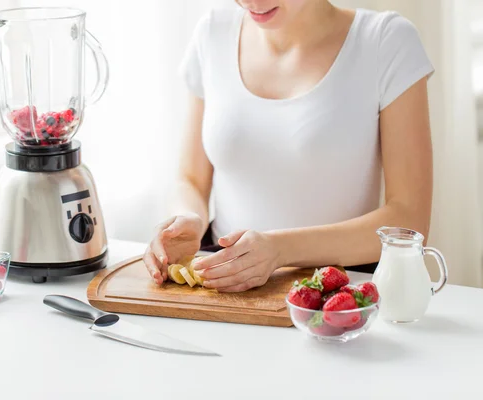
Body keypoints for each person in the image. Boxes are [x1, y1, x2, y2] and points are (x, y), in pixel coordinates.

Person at [143, 0, 435, 292]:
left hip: (340, 294)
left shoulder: (385, 41)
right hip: (222, 284)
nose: (252, 2)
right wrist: (187, 218)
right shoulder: (212, 33)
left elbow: (409, 219)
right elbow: (191, 179)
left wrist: (281, 250)